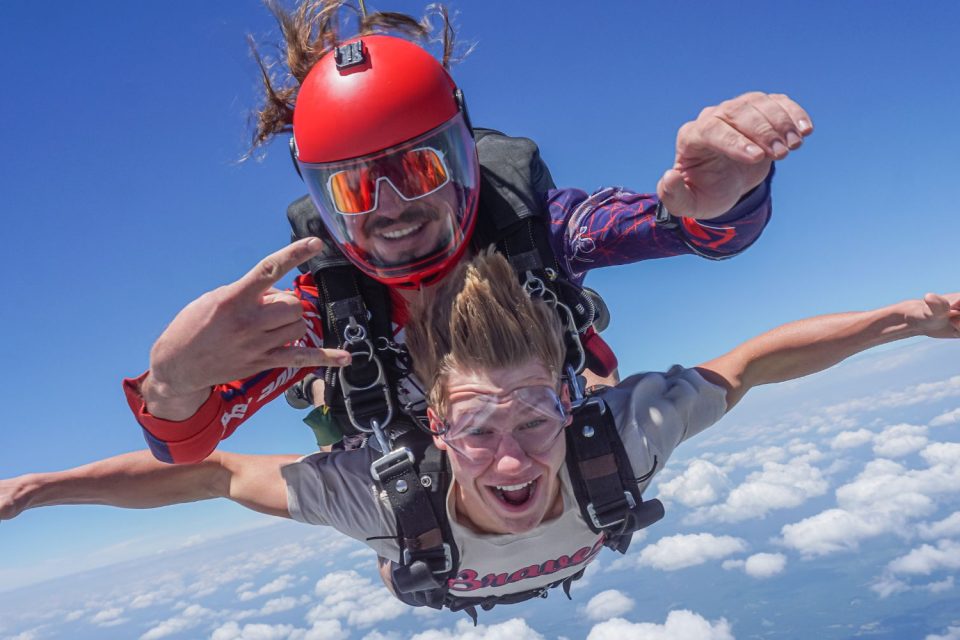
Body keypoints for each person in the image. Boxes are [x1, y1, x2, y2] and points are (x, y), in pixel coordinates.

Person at [6, 249, 957, 616]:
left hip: (458, 551)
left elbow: (754, 362)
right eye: (475, 425)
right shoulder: (383, 494)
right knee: (397, 552)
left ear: (570, 404)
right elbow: (203, 475)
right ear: (435, 427)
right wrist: (38, 489)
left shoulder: (615, 437)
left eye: (538, 415)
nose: (515, 455)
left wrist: (904, 317)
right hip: (428, 558)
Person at [124, 1, 814, 464]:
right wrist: (173, 380)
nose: (390, 207)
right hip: (409, 430)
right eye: (355, 188)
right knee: (331, 387)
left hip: (512, 427)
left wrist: (725, 202)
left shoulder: (538, 227)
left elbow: (683, 232)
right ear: (323, 200)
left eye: (419, 169)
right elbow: (183, 445)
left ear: (461, 159)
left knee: (590, 387)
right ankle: (316, 395)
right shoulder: (319, 304)